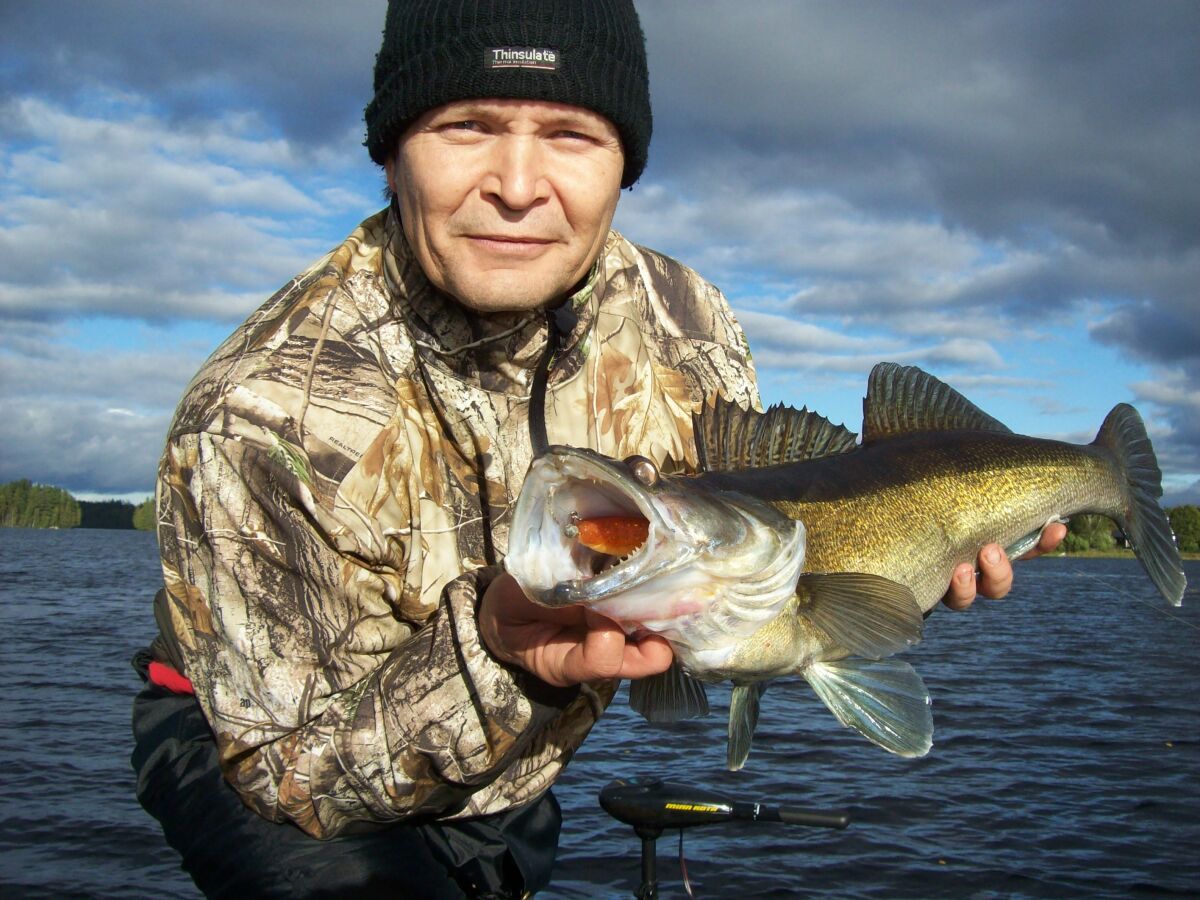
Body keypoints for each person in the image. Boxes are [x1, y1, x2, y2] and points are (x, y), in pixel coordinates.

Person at [131, 2, 1065, 897]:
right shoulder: (257, 417)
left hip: (518, 765)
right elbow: (287, 778)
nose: (518, 185)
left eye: (573, 136)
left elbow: (752, 580)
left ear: (626, 162)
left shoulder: (686, 323)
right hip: (270, 756)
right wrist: (497, 648)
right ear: (389, 151)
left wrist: (897, 578)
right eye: (465, 125)